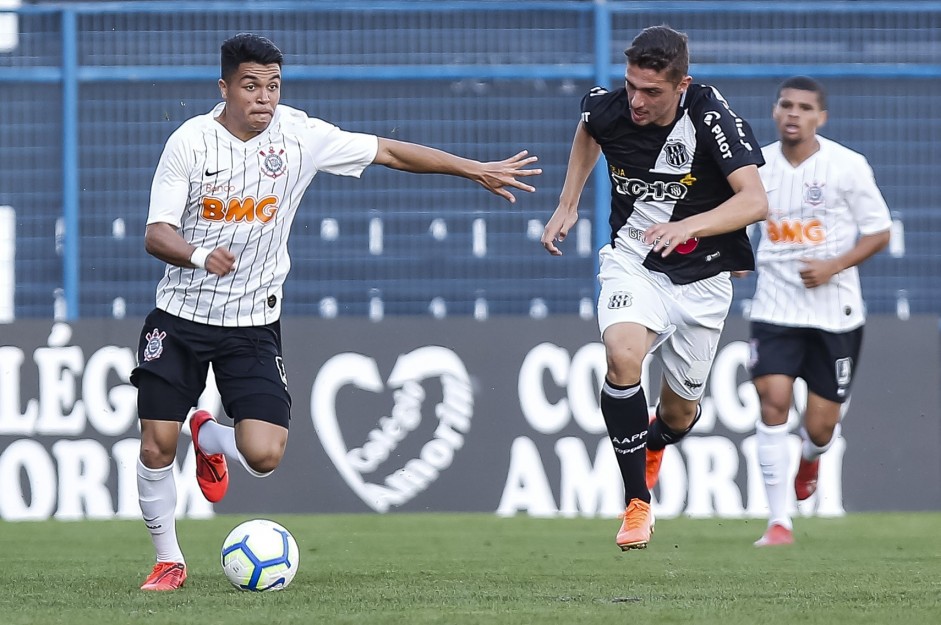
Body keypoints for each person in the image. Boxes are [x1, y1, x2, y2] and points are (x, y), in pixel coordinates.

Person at [132, 32, 541, 591]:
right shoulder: (190, 143)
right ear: (224, 87)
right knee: (157, 443)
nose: (264, 98)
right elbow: (157, 234)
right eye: (251, 86)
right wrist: (203, 256)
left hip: (252, 324)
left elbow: (390, 152)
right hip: (179, 316)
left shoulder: (301, 137)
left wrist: (474, 169)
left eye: (273, 86)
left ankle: (209, 438)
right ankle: (169, 560)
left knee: (263, 455)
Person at [541, 25, 767, 550]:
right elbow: (588, 130)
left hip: (703, 280)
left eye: (651, 92)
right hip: (633, 263)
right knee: (621, 356)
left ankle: (656, 443)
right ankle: (637, 502)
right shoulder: (612, 108)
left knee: (679, 415)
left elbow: (755, 201)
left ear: (682, 84)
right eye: (631, 86)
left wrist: (689, 225)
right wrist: (568, 204)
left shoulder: (713, 119)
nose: (636, 101)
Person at [748, 76, 891, 547]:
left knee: (821, 426)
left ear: (820, 117)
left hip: (836, 313)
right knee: (773, 400)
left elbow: (878, 232)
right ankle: (778, 522)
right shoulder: (756, 166)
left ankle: (812, 456)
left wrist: (833, 265)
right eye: (786, 105)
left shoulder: (847, 166)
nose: (794, 114)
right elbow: (734, 217)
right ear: (775, 112)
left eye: (805, 108)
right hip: (775, 306)